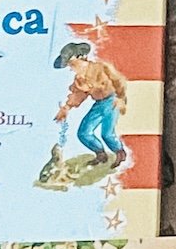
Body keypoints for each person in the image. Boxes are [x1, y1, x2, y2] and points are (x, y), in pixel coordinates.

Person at [53, 39, 129, 167]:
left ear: (81, 57)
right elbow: (78, 95)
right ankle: (100, 154)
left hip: (112, 100)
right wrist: (66, 107)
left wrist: (121, 97)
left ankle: (120, 154)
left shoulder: (101, 67)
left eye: (72, 63)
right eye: (69, 65)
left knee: (107, 134)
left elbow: (118, 81)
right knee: (84, 133)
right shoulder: (79, 79)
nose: (71, 68)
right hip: (99, 104)